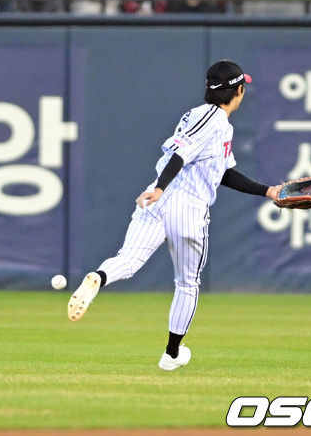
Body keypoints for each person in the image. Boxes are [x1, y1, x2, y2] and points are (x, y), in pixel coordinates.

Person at [67, 60, 278, 371]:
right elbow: (180, 156)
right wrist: (161, 188)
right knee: (187, 284)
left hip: (156, 201)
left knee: (128, 259)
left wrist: (268, 191)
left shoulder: (197, 115)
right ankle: (172, 354)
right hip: (187, 208)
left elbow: (224, 173)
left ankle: (98, 277)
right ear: (238, 92)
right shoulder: (216, 122)